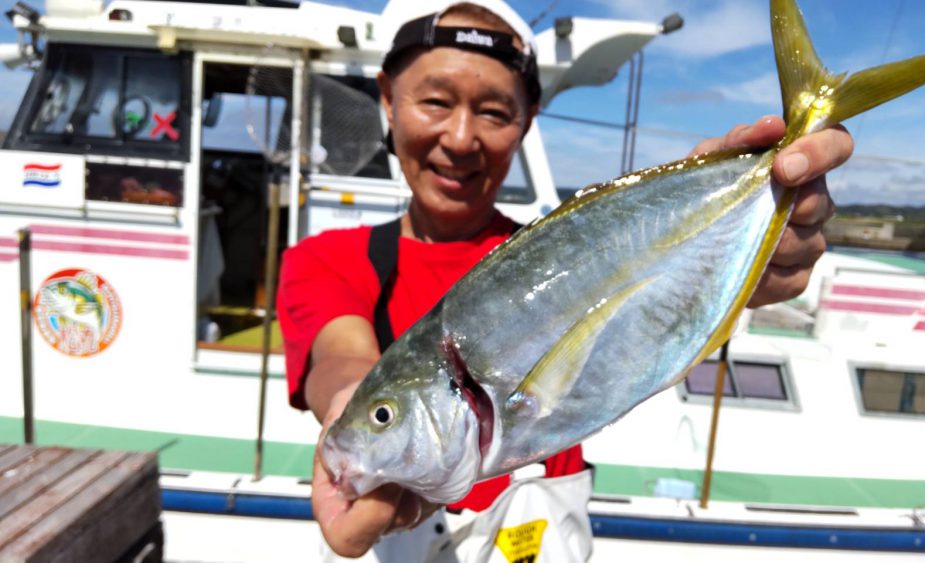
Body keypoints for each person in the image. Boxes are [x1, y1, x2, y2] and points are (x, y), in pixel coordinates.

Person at [277, 0, 852, 559]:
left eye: (494, 112)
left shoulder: (570, 248)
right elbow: (342, 362)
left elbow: (652, 322)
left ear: (528, 120)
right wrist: (356, 409)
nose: (459, 137)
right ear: (387, 99)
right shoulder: (325, 259)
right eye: (434, 101)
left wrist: (739, 255)